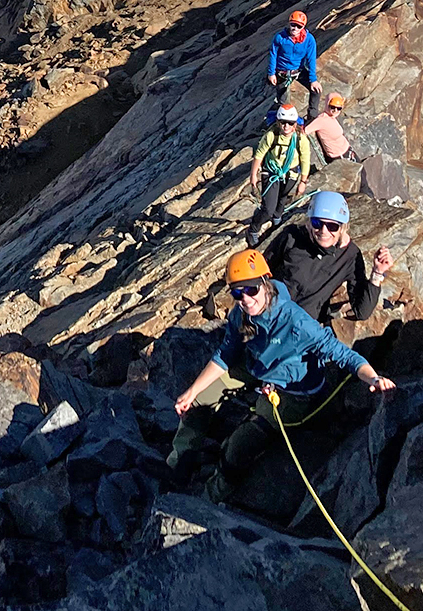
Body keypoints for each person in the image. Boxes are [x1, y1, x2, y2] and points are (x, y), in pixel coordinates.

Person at [168, 249, 396, 500]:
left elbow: (343, 355)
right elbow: (226, 354)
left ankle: (211, 495)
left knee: (239, 444)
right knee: (199, 401)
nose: (245, 298)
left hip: (292, 392)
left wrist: (373, 378)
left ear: (265, 284)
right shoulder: (240, 314)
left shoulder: (296, 322)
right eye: (237, 292)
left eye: (251, 289)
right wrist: (192, 392)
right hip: (258, 366)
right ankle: (178, 464)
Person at [266, 191, 392, 326]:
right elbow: (262, 269)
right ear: (309, 221)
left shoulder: (350, 256)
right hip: (269, 314)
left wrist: (377, 274)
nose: (324, 231)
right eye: (317, 223)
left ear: (342, 227)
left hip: (302, 329)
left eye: (332, 226)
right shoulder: (292, 236)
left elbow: (362, 312)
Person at [246, 106, 310, 243]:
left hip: (290, 173)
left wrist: (303, 182)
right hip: (271, 172)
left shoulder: (300, 139)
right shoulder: (271, 135)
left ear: (295, 124)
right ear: (278, 122)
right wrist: (253, 175)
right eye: (283, 122)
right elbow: (259, 154)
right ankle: (253, 229)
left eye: (290, 123)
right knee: (268, 208)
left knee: (282, 198)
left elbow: (305, 159)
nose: (286, 126)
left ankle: (277, 219)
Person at [266, 10, 320, 106]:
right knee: (283, 101)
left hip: (299, 70)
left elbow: (311, 59)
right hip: (282, 72)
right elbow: (273, 55)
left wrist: (313, 80)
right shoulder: (280, 37)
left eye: (299, 26)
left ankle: (312, 117)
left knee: (316, 91)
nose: (295, 28)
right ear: (289, 23)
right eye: (293, 25)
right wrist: (271, 73)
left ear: (303, 27)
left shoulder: (309, 39)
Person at [301, 93, 361, 164]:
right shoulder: (321, 120)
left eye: (339, 108)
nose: (335, 110)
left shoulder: (331, 117)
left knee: (362, 173)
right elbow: (305, 131)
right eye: (332, 107)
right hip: (339, 156)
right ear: (327, 104)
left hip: (348, 150)